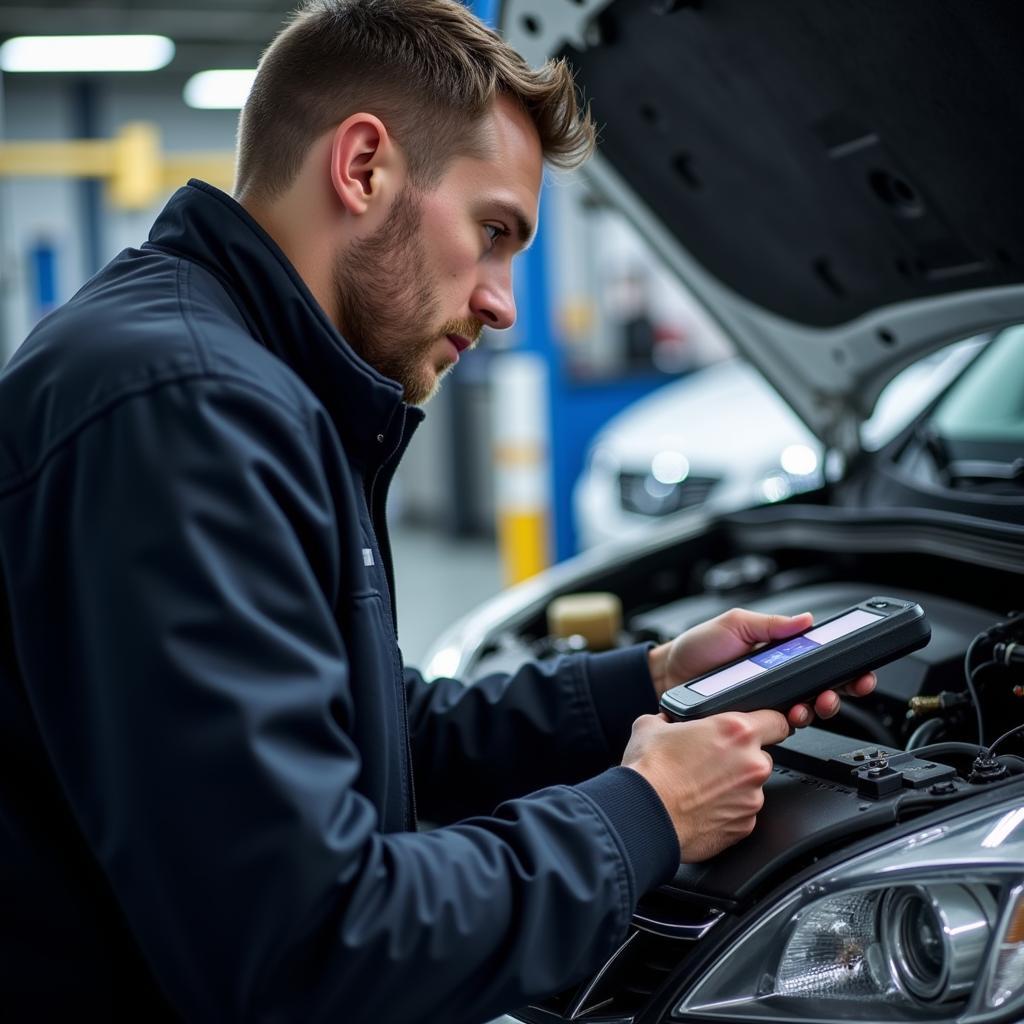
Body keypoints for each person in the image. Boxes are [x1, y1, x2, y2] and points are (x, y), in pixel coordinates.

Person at [0, 1, 875, 1021]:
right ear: (363, 165)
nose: (504, 301)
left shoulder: (229, 375)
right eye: (492, 232)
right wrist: (647, 812)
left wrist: (644, 681)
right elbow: (309, 946)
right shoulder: (191, 408)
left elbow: (361, 732)